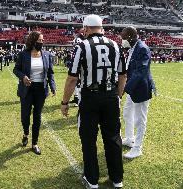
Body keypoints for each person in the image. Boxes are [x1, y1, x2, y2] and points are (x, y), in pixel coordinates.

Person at [61, 14, 126, 189]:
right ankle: (117, 179)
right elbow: (122, 75)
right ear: (101, 28)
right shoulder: (116, 45)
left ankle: (92, 179)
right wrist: (117, 95)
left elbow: (72, 78)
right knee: (113, 138)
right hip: (111, 96)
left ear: (86, 28)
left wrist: (65, 102)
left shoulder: (82, 46)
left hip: (90, 96)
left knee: (88, 139)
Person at [13, 31, 56, 155]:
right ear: (32, 41)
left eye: (42, 40)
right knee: (25, 116)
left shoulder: (47, 55)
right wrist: (23, 77)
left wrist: (52, 86)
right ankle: (26, 133)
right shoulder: (23, 54)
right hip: (27, 89)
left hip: (41, 89)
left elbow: (50, 73)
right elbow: (16, 69)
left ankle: (34, 143)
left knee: (37, 116)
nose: (41, 42)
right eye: (39, 40)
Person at [121, 26, 156, 159]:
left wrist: (125, 88)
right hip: (133, 87)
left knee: (140, 119)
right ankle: (130, 138)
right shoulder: (132, 48)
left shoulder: (142, 48)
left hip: (141, 88)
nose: (122, 40)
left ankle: (137, 148)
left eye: (123, 38)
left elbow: (140, 72)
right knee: (127, 113)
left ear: (131, 36)